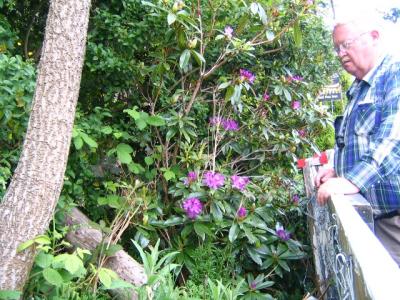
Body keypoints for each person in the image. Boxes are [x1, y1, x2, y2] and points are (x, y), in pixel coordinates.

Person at [315, 15, 400, 265]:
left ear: (373, 37)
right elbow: (357, 142)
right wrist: (337, 168)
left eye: (347, 44)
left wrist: (351, 180)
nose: (341, 53)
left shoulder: (394, 74)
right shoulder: (360, 88)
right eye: (337, 48)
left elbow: (393, 141)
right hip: (376, 218)